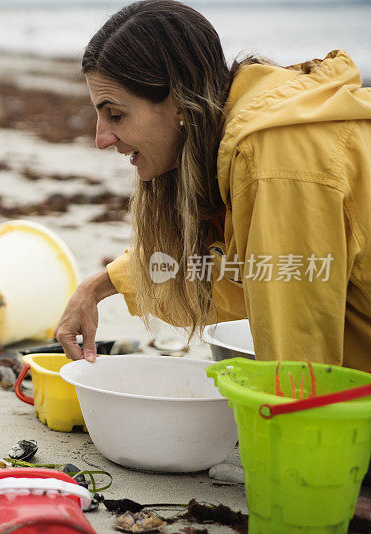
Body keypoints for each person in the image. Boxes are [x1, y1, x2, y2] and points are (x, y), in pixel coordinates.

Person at [54, 0, 371, 374]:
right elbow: (246, 272)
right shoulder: (247, 135)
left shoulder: (271, 160)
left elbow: (301, 364)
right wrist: (100, 286)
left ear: (179, 102)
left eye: (116, 114)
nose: (101, 138)